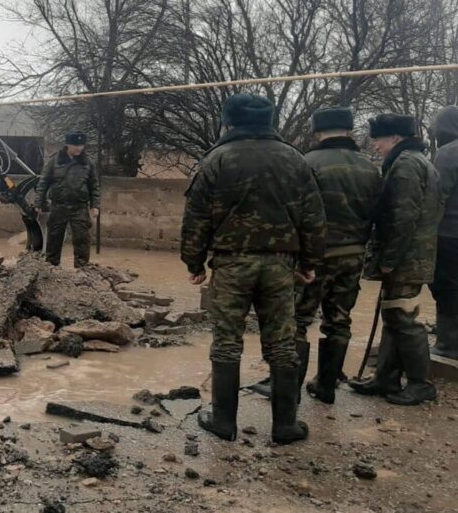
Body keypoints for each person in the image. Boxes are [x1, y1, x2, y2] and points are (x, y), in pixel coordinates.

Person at [181, 94, 326, 444]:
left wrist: (195, 262)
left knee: (227, 341)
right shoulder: (295, 159)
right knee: (282, 342)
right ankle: (285, 426)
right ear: (269, 122)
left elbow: (196, 217)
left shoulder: (216, 159)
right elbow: (313, 217)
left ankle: (223, 422)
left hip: (232, 264)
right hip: (280, 265)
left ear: (228, 122)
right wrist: (310, 263)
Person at [349, 113, 443, 405]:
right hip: (413, 255)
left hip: (406, 258)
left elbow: (403, 216)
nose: (375, 145)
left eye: (378, 139)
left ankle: (421, 383)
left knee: (403, 318)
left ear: (396, 138)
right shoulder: (414, 161)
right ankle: (386, 378)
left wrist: (389, 259)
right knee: (393, 315)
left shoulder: (406, 165)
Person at [291, 107, 382, 404]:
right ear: (349, 131)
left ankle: (289, 387)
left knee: (297, 319)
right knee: (339, 319)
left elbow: (295, 213)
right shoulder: (370, 168)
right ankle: (327, 386)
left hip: (312, 258)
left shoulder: (306, 163)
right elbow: (378, 214)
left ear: (318, 132)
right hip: (353, 254)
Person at [35, 131, 101, 267]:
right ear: (67, 145)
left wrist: (95, 205)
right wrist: (39, 202)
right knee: (54, 238)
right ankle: (51, 268)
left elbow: (94, 185)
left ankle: (82, 269)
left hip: (80, 207)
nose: (79, 148)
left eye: (81, 145)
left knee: (82, 238)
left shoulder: (88, 162)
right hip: (59, 206)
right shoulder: (55, 160)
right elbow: (43, 182)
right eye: (75, 145)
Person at [430, 106, 458, 359]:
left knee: (447, 288)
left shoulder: (447, 153)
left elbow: (438, 195)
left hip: (450, 233)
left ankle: (448, 345)